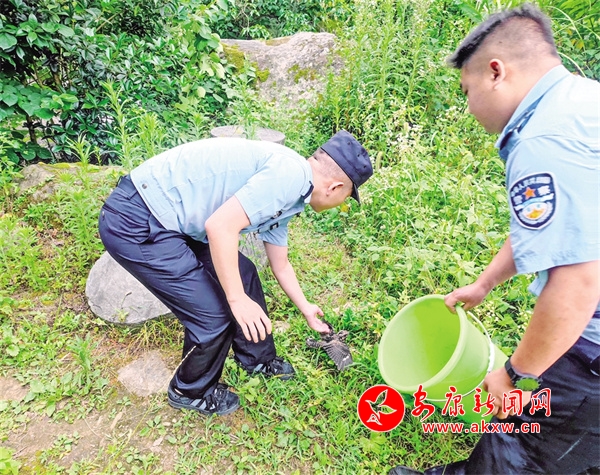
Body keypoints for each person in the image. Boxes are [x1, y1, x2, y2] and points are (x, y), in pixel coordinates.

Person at [390, 3, 599, 474]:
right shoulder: (583, 102)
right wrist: (485, 283)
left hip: (592, 357)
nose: (468, 107)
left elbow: (578, 284)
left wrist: (514, 373)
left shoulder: (544, 140)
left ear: (496, 72)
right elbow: (552, 227)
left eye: (467, 91)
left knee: (524, 439)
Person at [99, 130, 373, 416]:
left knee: (245, 273)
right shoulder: (288, 177)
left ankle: (257, 359)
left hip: (175, 220)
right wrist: (236, 299)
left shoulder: (296, 189)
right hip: (137, 218)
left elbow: (280, 264)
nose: (342, 204)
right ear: (335, 187)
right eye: (346, 197)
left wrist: (305, 308)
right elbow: (220, 227)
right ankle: (190, 391)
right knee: (213, 315)